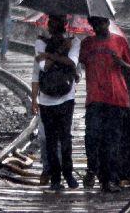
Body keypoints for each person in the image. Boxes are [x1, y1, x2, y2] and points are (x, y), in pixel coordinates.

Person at [79, 16, 130, 193]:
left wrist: (120, 62)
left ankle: (109, 179)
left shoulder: (119, 42)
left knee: (112, 140)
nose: (97, 27)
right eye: (94, 24)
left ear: (107, 23)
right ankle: (93, 169)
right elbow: (77, 62)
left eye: (101, 23)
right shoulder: (87, 44)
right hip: (95, 97)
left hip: (116, 97)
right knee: (92, 138)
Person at [31, 15, 80, 191]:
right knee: (51, 140)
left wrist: (50, 55)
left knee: (65, 138)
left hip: (67, 97)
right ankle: (55, 178)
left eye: (58, 24)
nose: (56, 27)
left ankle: (68, 173)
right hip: (46, 98)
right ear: (49, 26)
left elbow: (72, 62)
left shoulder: (75, 42)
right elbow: (44, 67)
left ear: (64, 26)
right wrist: (59, 51)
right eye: (53, 23)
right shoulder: (40, 43)